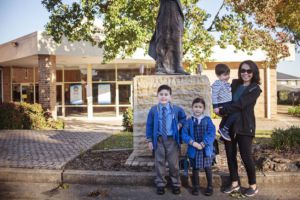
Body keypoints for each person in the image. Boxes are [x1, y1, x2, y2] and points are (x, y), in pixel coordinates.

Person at [214, 60, 262, 197]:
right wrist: (216, 105)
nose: (245, 73)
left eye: (249, 71)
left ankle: (253, 185)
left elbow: (241, 104)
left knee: (246, 156)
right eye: (243, 70)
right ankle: (234, 183)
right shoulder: (234, 83)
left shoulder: (255, 89)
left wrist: (222, 110)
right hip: (228, 125)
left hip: (245, 126)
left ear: (253, 72)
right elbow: (222, 94)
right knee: (230, 155)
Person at [145, 84, 186, 195]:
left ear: (170, 97)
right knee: (159, 163)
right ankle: (160, 184)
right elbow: (149, 125)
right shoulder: (154, 110)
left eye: (166, 94)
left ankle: (176, 184)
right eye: (161, 94)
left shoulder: (176, 109)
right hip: (158, 140)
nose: (163, 97)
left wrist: (180, 124)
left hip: (172, 140)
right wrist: (149, 140)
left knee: (174, 164)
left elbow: (183, 117)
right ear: (157, 96)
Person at [181, 97, 216, 196]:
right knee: (195, 168)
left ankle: (209, 187)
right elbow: (184, 134)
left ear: (203, 109)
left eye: (200, 107)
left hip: (205, 149)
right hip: (194, 148)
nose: (197, 109)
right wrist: (193, 143)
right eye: (195, 106)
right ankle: (196, 186)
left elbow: (211, 133)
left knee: (208, 168)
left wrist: (203, 143)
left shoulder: (207, 120)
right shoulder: (189, 121)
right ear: (192, 108)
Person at [148, 0, 189, 75]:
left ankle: (178, 66)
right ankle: (161, 67)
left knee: (177, 38)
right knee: (163, 37)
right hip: (165, 9)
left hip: (175, 10)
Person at [211, 64, 238, 141]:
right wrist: (215, 107)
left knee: (226, 117)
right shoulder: (217, 84)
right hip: (223, 104)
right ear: (218, 75)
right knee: (235, 114)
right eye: (225, 75)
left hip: (228, 103)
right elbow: (214, 95)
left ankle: (221, 130)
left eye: (228, 74)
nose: (228, 76)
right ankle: (224, 129)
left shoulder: (225, 83)